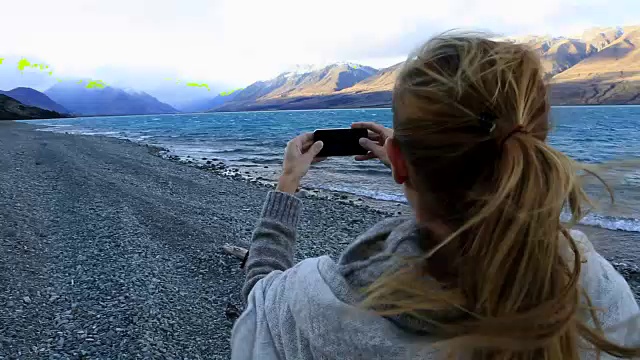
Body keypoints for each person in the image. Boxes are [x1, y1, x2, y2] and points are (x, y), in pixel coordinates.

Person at [230, 33, 640, 359]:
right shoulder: (595, 287)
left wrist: (288, 182)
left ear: (400, 160)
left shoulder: (334, 302)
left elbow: (262, 302)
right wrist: (409, 159)